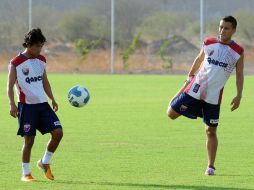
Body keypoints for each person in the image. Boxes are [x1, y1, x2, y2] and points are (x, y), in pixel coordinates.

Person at [167, 16, 244, 176]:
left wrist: (239, 95)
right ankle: (184, 91)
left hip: (213, 98)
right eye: (221, 27)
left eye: (226, 28)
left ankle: (211, 166)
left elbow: (239, 75)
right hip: (194, 90)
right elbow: (199, 59)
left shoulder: (238, 52)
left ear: (234, 30)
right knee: (171, 114)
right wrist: (189, 76)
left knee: (210, 131)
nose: (222, 31)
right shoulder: (209, 43)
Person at [7, 28, 63, 181]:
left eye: (41, 46)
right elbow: (10, 85)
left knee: (58, 133)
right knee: (29, 140)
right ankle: (25, 173)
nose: (40, 49)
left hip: (43, 105)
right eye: (38, 46)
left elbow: (44, 81)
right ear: (29, 45)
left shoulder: (42, 60)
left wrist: (52, 98)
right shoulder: (16, 63)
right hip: (27, 107)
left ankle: (44, 162)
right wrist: (12, 104)